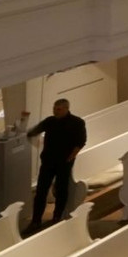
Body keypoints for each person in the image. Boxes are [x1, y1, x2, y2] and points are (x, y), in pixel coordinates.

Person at [26, 98, 88, 230]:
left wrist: (71, 157)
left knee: (61, 190)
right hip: (48, 160)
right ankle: (36, 220)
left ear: (66, 109)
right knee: (41, 191)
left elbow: (81, 142)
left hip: (64, 162)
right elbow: (35, 131)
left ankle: (57, 217)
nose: (55, 111)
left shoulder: (77, 122)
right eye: (54, 108)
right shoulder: (50, 121)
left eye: (58, 109)